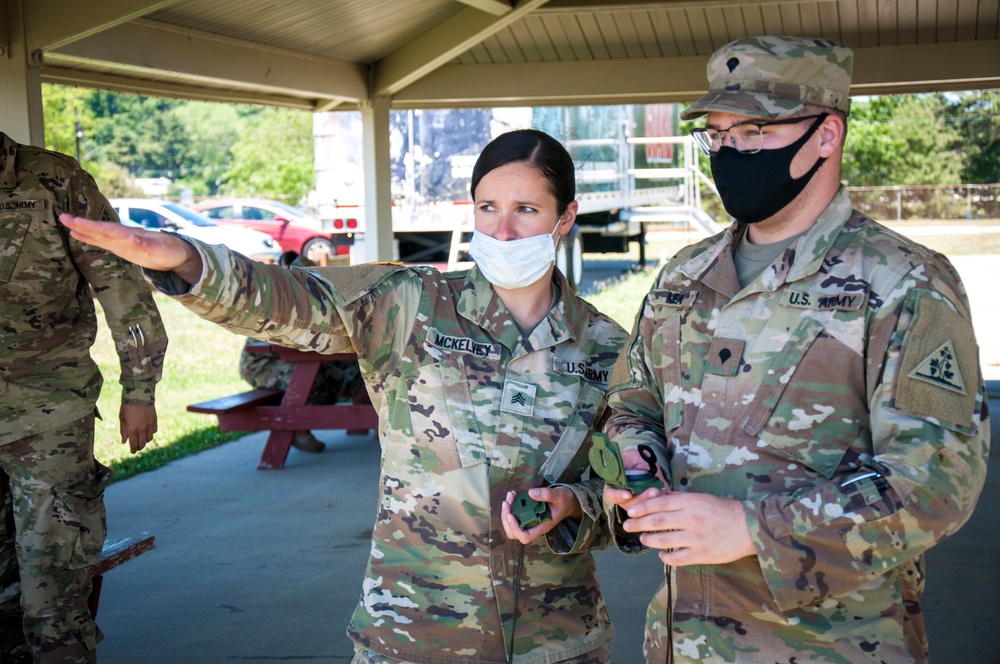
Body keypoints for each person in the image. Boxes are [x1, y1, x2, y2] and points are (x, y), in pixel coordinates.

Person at [60, 129, 628, 664]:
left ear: (566, 217)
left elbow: (632, 492)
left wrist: (576, 505)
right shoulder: (410, 304)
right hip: (414, 635)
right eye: (487, 209)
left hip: (556, 642)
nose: (502, 232)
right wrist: (190, 262)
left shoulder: (609, 350)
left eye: (526, 210)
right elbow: (290, 299)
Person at [601, 36, 990, 663]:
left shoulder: (901, 282)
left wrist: (752, 531)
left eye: (753, 131)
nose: (730, 152)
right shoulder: (683, 276)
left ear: (827, 136)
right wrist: (639, 470)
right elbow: (631, 404)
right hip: (682, 641)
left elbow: (937, 481)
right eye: (719, 134)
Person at [0, 132, 168, 663]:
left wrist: (139, 390)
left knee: (53, 598)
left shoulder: (53, 179)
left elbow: (123, 286)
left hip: (45, 416)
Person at [237, 252, 363, 453]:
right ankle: (296, 430)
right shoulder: (279, 299)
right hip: (262, 364)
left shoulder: (312, 301)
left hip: (294, 359)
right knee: (314, 381)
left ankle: (370, 420)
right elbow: (285, 344)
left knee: (348, 371)